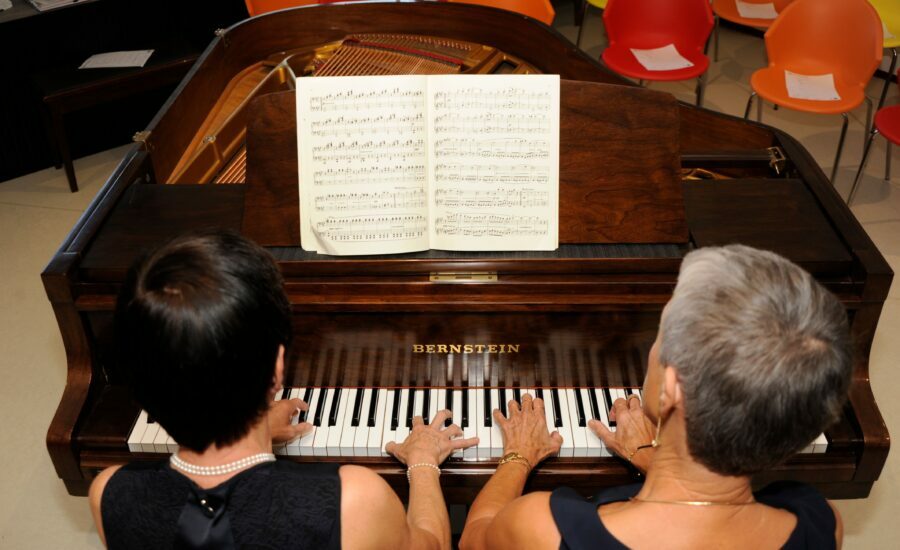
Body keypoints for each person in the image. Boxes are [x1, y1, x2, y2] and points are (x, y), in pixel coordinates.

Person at [87, 229, 477, 549]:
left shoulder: (108, 493)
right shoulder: (355, 499)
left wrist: (252, 434)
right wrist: (423, 461)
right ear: (277, 368)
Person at [460, 245, 850, 550]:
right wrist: (651, 455)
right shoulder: (823, 524)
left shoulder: (543, 528)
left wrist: (518, 456)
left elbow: (475, 537)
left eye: (660, 335)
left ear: (671, 388)